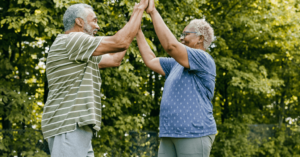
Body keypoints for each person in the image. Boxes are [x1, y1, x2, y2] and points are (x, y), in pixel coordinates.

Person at [41, 1, 148, 156]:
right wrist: (139, 9)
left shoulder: (81, 51)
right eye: (94, 20)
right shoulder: (72, 40)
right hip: (68, 125)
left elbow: (114, 59)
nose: (98, 26)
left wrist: (134, 25)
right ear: (79, 21)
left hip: (76, 127)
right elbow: (120, 42)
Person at [135, 0, 217, 156]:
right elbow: (151, 60)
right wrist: (137, 31)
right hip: (170, 133)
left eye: (185, 34)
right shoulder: (176, 64)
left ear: (200, 38)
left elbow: (171, 46)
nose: (181, 38)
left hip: (194, 132)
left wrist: (153, 12)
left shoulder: (203, 59)